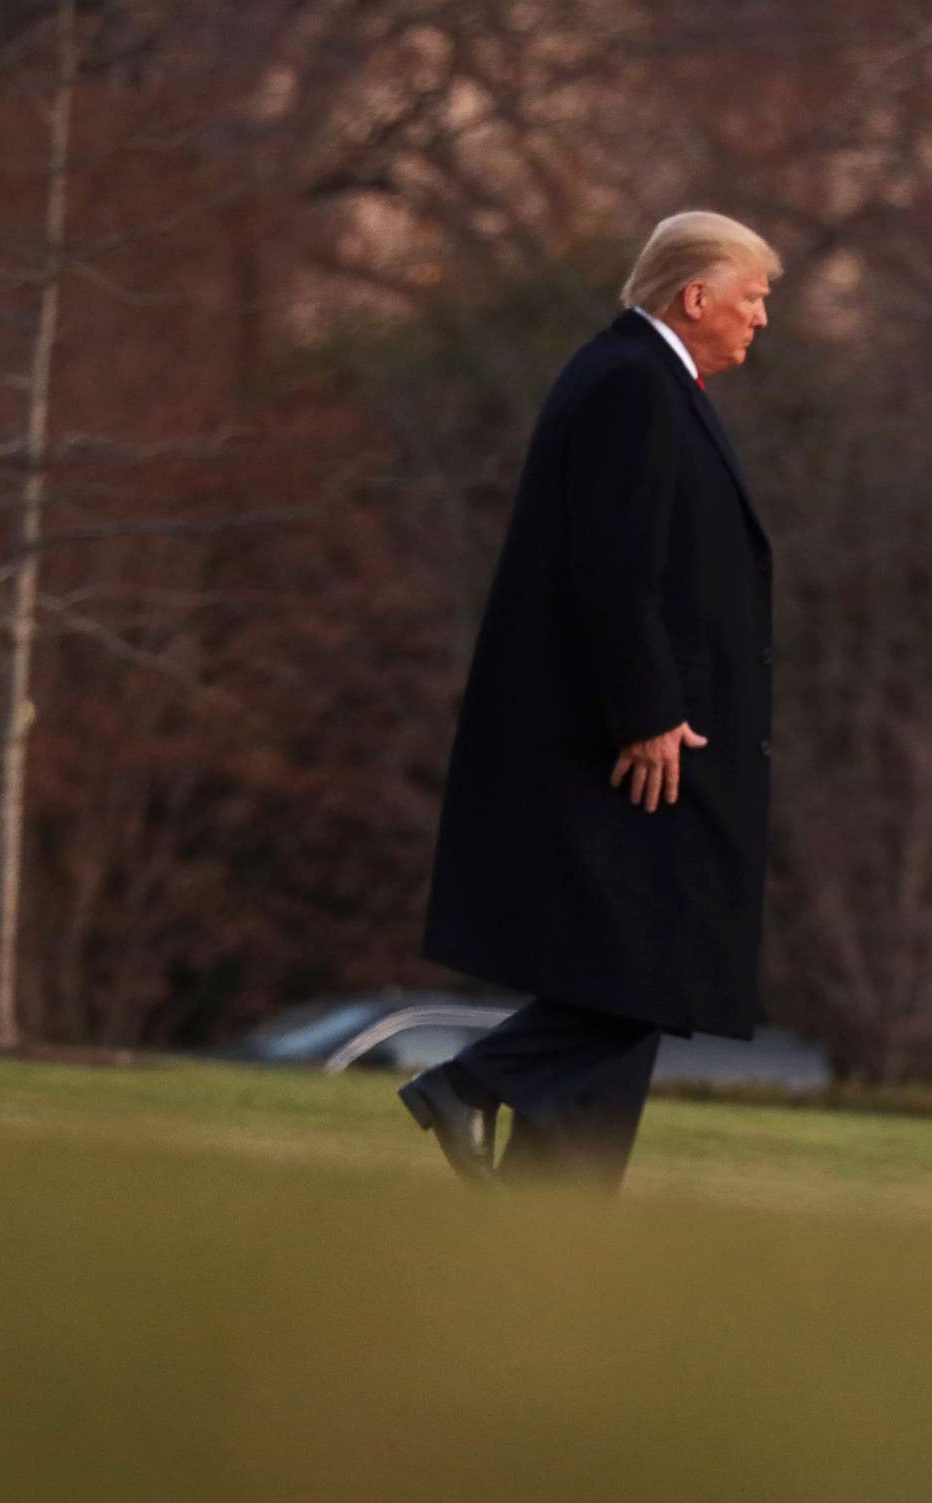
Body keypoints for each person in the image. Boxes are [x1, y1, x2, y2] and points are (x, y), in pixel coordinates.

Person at [400, 211, 781, 1184]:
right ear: (695, 297)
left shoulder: (642, 380)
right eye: (753, 297)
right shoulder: (632, 388)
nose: (762, 318)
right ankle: (471, 1086)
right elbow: (614, 568)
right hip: (630, 744)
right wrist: (646, 710)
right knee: (647, 964)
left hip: (640, 732)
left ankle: (553, 1215)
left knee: (635, 968)